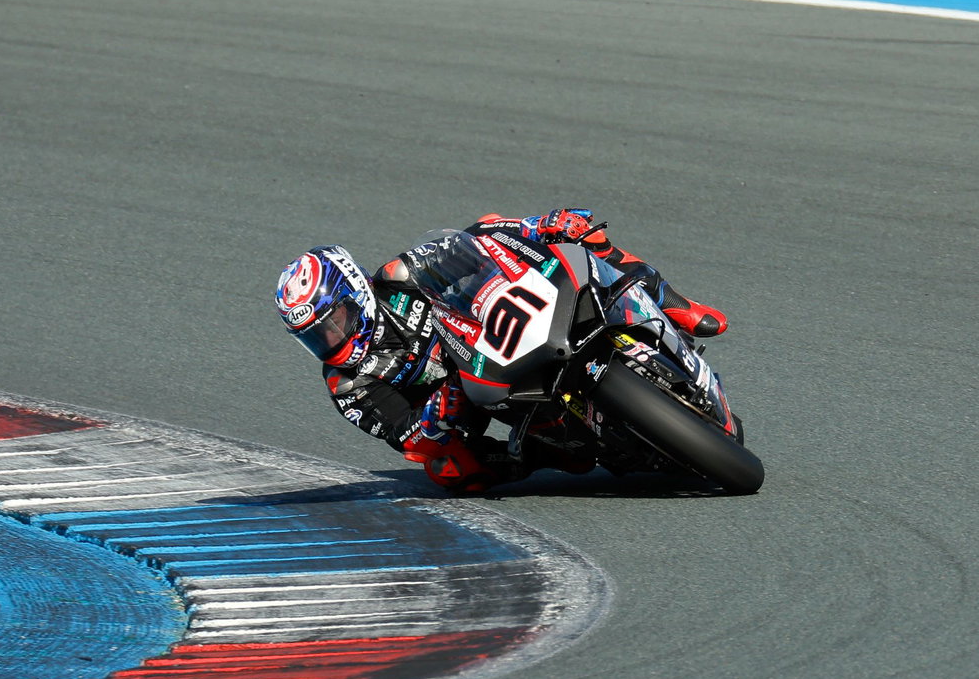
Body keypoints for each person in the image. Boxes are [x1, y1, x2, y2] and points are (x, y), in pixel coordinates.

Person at [273, 209, 727, 493]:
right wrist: (437, 413)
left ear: (356, 292)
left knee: (580, 240)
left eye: (334, 323)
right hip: (468, 400)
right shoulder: (347, 384)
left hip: (504, 330)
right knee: (449, 471)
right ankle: (542, 455)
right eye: (316, 336)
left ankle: (676, 306)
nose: (330, 340)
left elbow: (481, 236)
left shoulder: (398, 278)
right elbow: (404, 436)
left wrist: (540, 226)